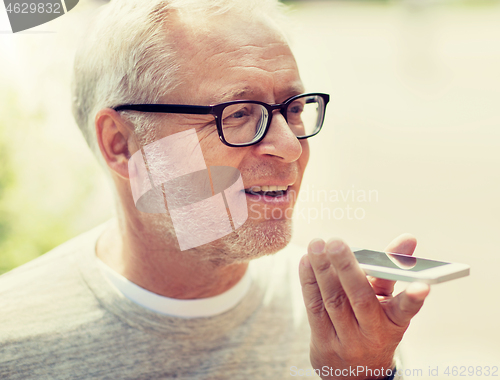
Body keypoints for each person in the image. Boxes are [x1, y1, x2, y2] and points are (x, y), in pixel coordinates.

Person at [0, 0, 430, 378]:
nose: (290, 147)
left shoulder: (338, 322)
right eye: (239, 113)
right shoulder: (14, 341)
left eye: (294, 109)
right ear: (122, 144)